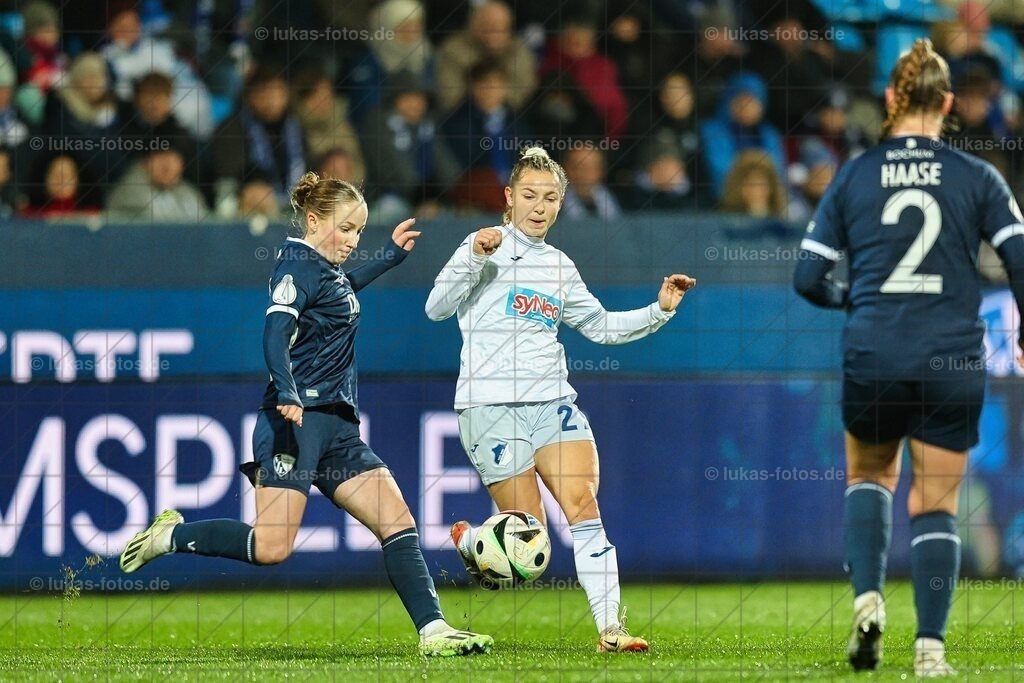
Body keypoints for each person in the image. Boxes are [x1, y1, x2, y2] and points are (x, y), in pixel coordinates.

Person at [119, 172, 493, 658]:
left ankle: (434, 631)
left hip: (337, 426)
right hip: (293, 424)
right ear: (314, 220)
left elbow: (340, 293)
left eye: (359, 231)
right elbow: (275, 334)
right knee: (272, 548)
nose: (353, 241)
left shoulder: (323, 269)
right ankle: (170, 536)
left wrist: (389, 257)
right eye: (346, 229)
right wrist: (289, 391)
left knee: (397, 521)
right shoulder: (295, 263)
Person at [793, 39, 1024, 678]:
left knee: (870, 478)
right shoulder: (979, 176)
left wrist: (854, 299)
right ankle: (931, 650)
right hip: (951, 358)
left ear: (892, 99)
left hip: (875, 349)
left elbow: (807, 279)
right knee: (937, 502)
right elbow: (1020, 260)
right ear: (947, 103)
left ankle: (868, 598)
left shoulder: (855, 174)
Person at [425, 146, 696, 653]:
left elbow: (601, 327)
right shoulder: (482, 246)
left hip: (552, 402)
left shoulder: (559, 266)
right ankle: (471, 543)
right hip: (488, 409)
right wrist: (471, 258)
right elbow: (435, 308)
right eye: (529, 195)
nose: (539, 206)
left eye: (550, 198)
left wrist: (659, 310)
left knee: (583, 505)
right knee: (531, 546)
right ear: (509, 197)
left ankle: (611, 630)